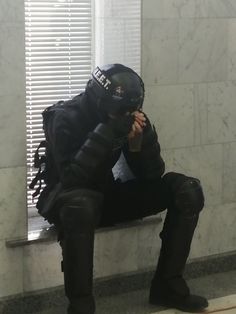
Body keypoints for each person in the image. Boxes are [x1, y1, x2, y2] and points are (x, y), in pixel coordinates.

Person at [35, 64, 208, 314]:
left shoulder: (124, 116)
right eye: (122, 111)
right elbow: (72, 179)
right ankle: (81, 306)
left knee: (187, 190)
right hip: (67, 201)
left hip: (106, 196)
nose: (128, 114)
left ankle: (168, 287)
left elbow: (151, 175)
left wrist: (140, 140)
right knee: (80, 204)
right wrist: (107, 131)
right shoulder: (63, 117)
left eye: (132, 110)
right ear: (100, 101)